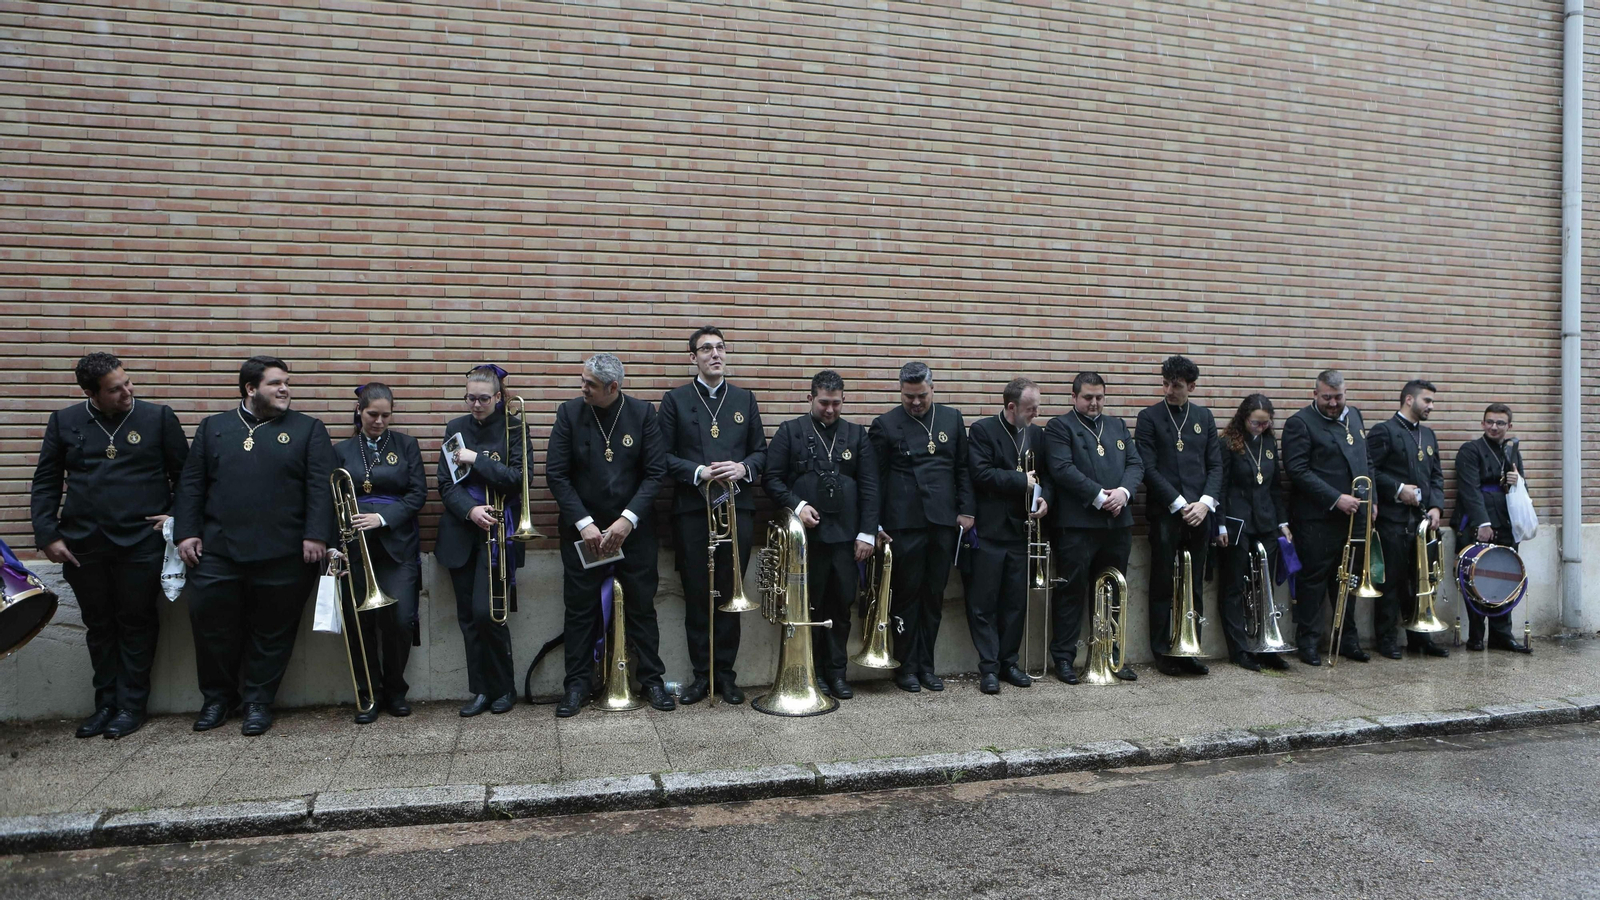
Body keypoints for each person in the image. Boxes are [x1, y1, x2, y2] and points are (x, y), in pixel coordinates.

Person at [30, 352, 188, 739]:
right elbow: (46, 481)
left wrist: (175, 517)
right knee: (99, 626)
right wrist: (48, 536)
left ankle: (131, 707)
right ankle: (105, 706)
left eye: (127, 382)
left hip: (141, 542)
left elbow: (186, 475)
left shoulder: (158, 417)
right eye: (115, 389)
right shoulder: (65, 421)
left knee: (136, 622)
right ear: (91, 393)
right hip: (84, 544)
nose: (127, 392)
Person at [174, 356, 335, 736]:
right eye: (275, 383)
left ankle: (259, 702)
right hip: (216, 551)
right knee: (212, 627)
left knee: (273, 632)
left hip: (284, 554)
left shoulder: (308, 429)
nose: (285, 389)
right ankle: (217, 699)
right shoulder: (214, 427)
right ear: (250, 389)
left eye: (287, 383)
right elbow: (192, 484)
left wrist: (316, 534)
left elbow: (319, 487)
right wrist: (186, 532)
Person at [545, 354, 674, 717]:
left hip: (632, 532)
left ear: (613, 387)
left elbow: (655, 473)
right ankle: (576, 685)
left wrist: (627, 520)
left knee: (641, 608)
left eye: (590, 384)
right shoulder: (569, 413)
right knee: (580, 610)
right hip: (582, 534)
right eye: (582, 380)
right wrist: (584, 522)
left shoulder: (642, 414)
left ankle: (651, 681)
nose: (582, 388)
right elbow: (556, 474)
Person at [657, 326, 767, 705]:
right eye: (706, 349)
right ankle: (701, 677)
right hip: (692, 510)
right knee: (697, 595)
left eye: (720, 348)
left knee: (731, 595)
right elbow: (663, 458)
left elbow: (761, 454)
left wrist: (743, 468)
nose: (715, 354)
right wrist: (698, 472)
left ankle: (727, 676)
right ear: (693, 358)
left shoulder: (744, 399)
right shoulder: (674, 400)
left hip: (738, 509)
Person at [764, 371, 878, 699]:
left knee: (841, 608)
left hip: (846, 541)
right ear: (810, 398)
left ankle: (837, 674)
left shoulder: (857, 435)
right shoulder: (789, 432)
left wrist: (867, 534)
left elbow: (871, 488)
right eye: (824, 403)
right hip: (805, 544)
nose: (830, 410)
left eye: (836, 403)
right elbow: (772, 480)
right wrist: (797, 505)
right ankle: (810, 673)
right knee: (806, 607)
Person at [868, 362, 974, 693]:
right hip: (904, 523)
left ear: (933, 389)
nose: (915, 403)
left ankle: (927, 666)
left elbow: (962, 469)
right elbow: (876, 480)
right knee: (906, 596)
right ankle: (906, 667)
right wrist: (876, 522)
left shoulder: (951, 419)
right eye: (908, 397)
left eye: (922, 396)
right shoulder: (885, 425)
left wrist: (967, 511)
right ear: (900, 391)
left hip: (943, 522)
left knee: (934, 596)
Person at [331, 383, 428, 722]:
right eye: (373, 414)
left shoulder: (405, 445)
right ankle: (368, 694)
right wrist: (334, 548)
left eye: (386, 415)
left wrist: (382, 518)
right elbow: (329, 498)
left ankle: (396, 691)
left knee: (401, 622)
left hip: (397, 547)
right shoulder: (341, 449)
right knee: (362, 625)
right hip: (354, 549)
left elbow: (418, 495)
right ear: (359, 410)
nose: (380, 421)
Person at [1042, 373, 1143, 684]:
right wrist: (1100, 497)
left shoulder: (1117, 426)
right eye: (1088, 397)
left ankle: (1110, 656)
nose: (1094, 403)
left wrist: (1123, 494)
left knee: (1112, 592)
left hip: (1117, 524)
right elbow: (1061, 469)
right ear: (1074, 397)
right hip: (1077, 526)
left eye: (1099, 397)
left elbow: (1135, 465)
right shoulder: (1059, 427)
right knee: (1071, 591)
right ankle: (1064, 659)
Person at [435, 365, 523, 717]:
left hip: (499, 531)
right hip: (462, 529)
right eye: (469, 397)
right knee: (468, 618)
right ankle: (481, 691)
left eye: (483, 398)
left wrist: (478, 459)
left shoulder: (515, 428)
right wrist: (470, 510)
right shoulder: (455, 428)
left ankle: (506, 688)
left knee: (489, 614)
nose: (475, 404)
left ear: (498, 397)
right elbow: (445, 484)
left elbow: (517, 479)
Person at [1280, 369, 1377, 666]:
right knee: (1314, 582)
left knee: (1348, 580)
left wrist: (1373, 501)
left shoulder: (1355, 416)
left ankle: (1348, 640)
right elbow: (1297, 470)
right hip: (1317, 519)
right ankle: (1308, 642)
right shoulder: (1299, 423)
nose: (1333, 403)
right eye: (1327, 398)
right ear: (1315, 394)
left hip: (1355, 516)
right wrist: (1336, 499)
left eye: (1338, 397)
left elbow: (1367, 461)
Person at [1135, 356, 1223, 677]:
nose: (1169, 390)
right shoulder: (1149, 417)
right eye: (1166, 383)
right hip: (1166, 514)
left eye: (1177, 385)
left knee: (1194, 583)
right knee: (1162, 582)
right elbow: (1148, 467)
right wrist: (1178, 502)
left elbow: (1215, 465)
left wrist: (1205, 503)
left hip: (1201, 514)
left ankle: (1189, 648)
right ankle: (1162, 652)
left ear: (1192, 387)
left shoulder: (1204, 416)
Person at [965, 378, 1053, 694]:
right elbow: (980, 474)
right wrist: (1020, 481)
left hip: (1021, 532)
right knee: (983, 604)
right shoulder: (982, 430)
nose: (1035, 414)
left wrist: (1045, 499)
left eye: (1037, 408)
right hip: (988, 532)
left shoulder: (1036, 434)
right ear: (1011, 407)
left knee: (1015, 603)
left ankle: (1009, 664)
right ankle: (988, 668)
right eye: (1031, 409)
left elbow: (1047, 477)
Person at [1367, 380, 1449, 659]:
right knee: (1392, 584)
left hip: (1422, 523)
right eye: (1427, 401)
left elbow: (1436, 476)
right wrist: (1399, 490)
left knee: (1422, 582)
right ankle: (1387, 639)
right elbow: (1370, 471)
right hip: (1393, 522)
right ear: (1408, 400)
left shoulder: (1429, 436)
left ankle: (1421, 638)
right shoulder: (1383, 431)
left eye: (1432, 402)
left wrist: (1436, 507)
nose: (1431, 407)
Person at [1215, 394, 1293, 671]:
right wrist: (1220, 524)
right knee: (1235, 587)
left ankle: (1266, 645)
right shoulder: (1227, 443)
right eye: (1255, 423)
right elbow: (1220, 487)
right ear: (1243, 418)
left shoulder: (1270, 443)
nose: (1259, 428)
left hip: (1266, 522)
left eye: (1265, 423)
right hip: (1237, 523)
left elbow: (1274, 487)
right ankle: (1240, 649)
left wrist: (1282, 522)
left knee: (1265, 588)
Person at [1453, 403, 1533, 653]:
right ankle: (1476, 636)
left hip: (1506, 523)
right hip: (1479, 523)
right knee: (1475, 579)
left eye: (1500, 423)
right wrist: (1482, 523)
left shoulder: (1512, 451)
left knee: (1504, 579)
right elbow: (1469, 489)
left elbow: (1521, 490)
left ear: (1509, 426)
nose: (1494, 427)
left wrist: (1516, 481)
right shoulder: (1470, 450)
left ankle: (1502, 636)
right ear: (1482, 423)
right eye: (1489, 422)